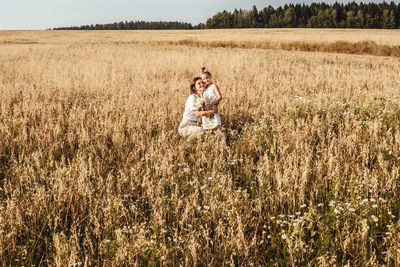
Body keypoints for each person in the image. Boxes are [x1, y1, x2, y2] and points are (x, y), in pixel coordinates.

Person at [200, 67, 222, 131]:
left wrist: (211, 105)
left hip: (213, 108)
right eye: (204, 79)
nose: (206, 80)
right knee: (207, 128)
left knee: (217, 125)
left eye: (207, 78)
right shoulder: (204, 88)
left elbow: (219, 96)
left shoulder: (213, 86)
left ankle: (222, 139)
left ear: (210, 77)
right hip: (206, 110)